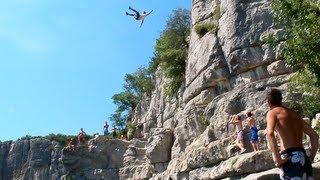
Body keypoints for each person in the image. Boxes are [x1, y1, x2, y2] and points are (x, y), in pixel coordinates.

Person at [266, 88, 319, 179]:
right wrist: (311, 157)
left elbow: (270, 134)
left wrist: (278, 159)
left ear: (268, 102)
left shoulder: (273, 113)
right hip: (303, 157)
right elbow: (314, 135)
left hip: (290, 157)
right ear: (281, 100)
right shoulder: (295, 115)